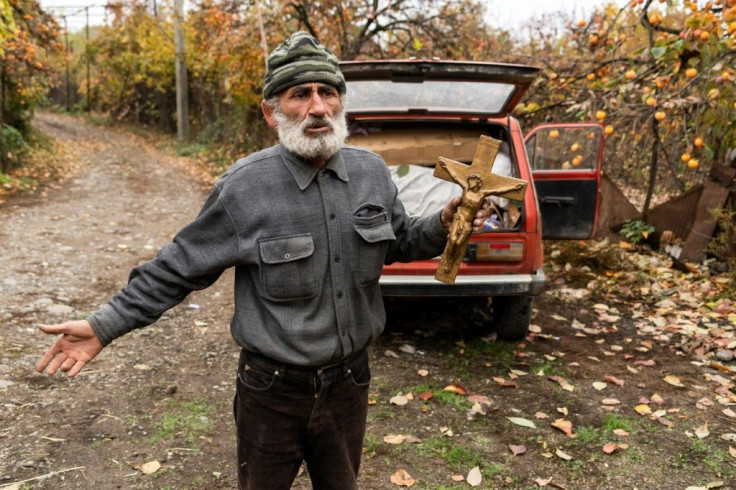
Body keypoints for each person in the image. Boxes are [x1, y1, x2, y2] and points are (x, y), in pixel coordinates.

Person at [36, 31, 490, 490]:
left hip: (350, 383)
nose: (318, 107)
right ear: (271, 111)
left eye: (328, 92)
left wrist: (443, 221)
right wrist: (105, 325)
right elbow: (177, 268)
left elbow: (401, 241)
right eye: (300, 94)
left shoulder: (371, 173)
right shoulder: (245, 188)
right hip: (272, 391)